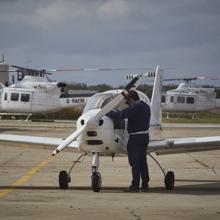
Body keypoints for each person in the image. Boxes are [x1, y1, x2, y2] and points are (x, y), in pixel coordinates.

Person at [107, 90, 151, 192]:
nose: (127, 103)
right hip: (145, 136)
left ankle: (135, 186)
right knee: (142, 161)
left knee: (135, 162)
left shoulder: (136, 107)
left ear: (131, 99)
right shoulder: (145, 106)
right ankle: (145, 185)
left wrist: (107, 112)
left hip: (135, 138)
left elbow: (121, 115)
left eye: (127, 101)